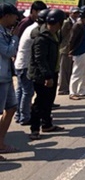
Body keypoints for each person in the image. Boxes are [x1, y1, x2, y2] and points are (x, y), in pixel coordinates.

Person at [28, 9, 66, 140]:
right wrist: (47, 77)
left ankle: (47, 124)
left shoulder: (53, 34)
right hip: (42, 75)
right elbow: (40, 59)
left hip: (52, 71)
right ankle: (34, 129)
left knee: (49, 101)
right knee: (40, 102)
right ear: (59, 23)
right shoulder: (41, 37)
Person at [14, 8, 49, 125]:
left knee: (21, 91)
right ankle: (25, 117)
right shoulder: (36, 31)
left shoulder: (32, 27)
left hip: (20, 63)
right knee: (27, 92)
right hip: (25, 65)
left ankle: (19, 115)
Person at [0, 3, 21, 160]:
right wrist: (15, 37)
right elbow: (8, 52)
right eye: (14, 16)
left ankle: (1, 143)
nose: (16, 19)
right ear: (6, 16)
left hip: (6, 76)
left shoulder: (5, 31)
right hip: (1, 78)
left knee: (12, 108)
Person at [58, 7, 80, 95]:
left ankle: (68, 87)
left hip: (72, 48)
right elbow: (62, 35)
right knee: (64, 70)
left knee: (70, 69)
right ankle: (63, 88)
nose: (76, 15)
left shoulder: (76, 22)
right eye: (75, 13)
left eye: (77, 13)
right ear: (70, 13)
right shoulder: (67, 22)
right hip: (65, 48)